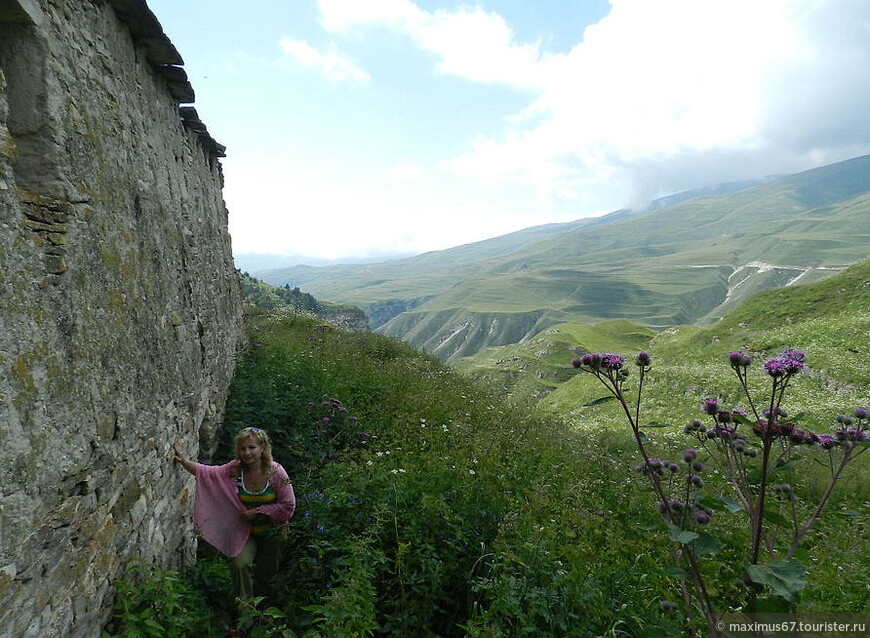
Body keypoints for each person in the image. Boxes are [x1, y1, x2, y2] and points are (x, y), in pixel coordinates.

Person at [173, 427, 296, 603]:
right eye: (243, 448)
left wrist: (258, 512)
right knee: (239, 565)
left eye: (252, 447)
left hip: (273, 533)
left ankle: (265, 614)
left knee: (266, 575)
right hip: (244, 531)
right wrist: (184, 462)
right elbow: (209, 473)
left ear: (263, 448)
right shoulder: (235, 470)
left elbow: (288, 506)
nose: (247, 453)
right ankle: (245, 616)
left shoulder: (276, 472)